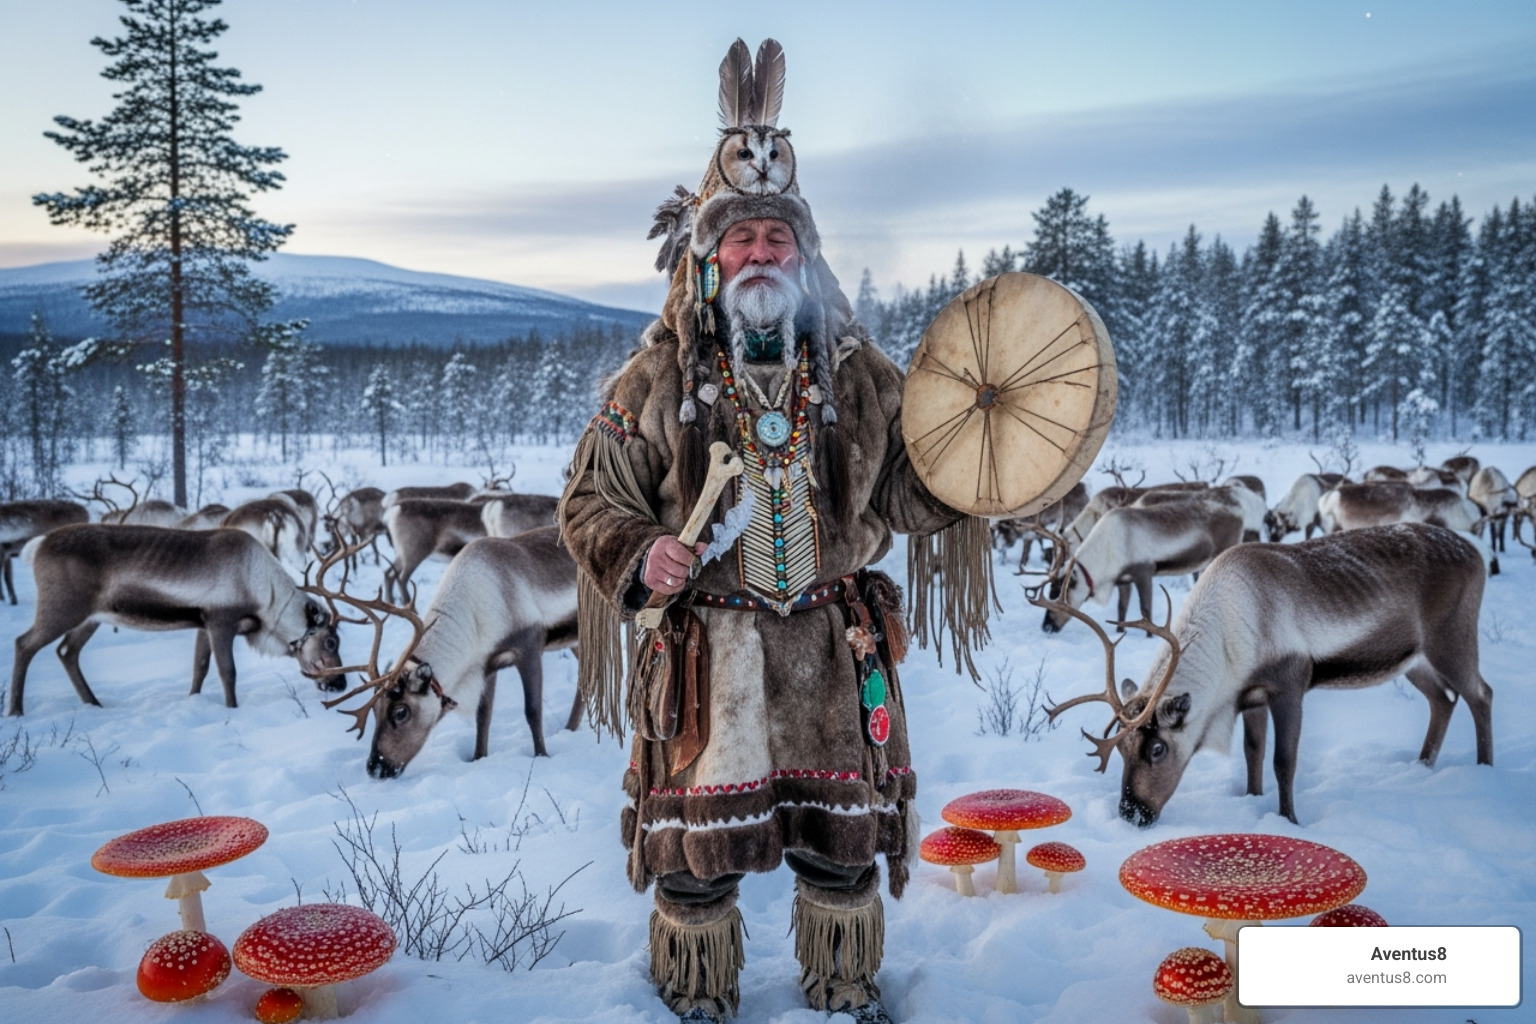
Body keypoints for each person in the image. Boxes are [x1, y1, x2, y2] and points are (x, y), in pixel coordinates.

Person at [557, 38, 991, 1024]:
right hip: (708, 656)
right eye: (740, 240)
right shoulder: (652, 382)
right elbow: (588, 503)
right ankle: (696, 993)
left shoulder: (863, 379)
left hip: (834, 651)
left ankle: (842, 987)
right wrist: (641, 551)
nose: (759, 254)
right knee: (698, 865)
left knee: (840, 853)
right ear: (708, 258)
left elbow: (911, 499)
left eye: (776, 240)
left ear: (804, 257)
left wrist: (983, 474)